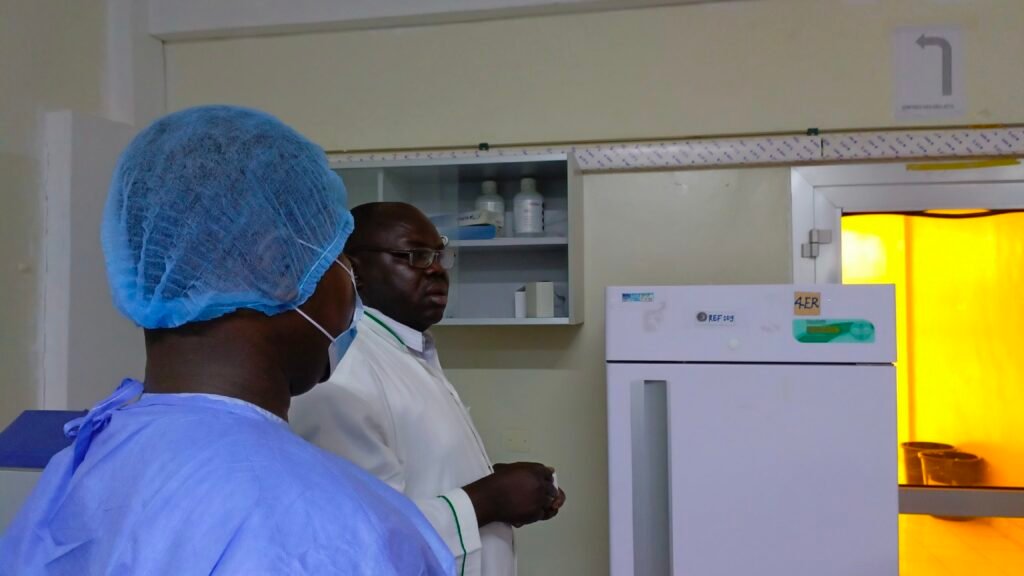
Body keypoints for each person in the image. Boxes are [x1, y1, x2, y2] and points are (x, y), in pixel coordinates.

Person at [0, 107, 454, 575]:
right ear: (277, 267)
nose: (351, 286)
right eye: (341, 261)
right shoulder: (351, 533)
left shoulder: (74, 476)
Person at [290, 202, 566, 576]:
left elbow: (415, 472)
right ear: (354, 270)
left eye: (438, 254)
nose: (436, 269)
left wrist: (497, 483)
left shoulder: (407, 350)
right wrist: (489, 500)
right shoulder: (343, 373)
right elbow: (362, 535)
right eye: (415, 256)